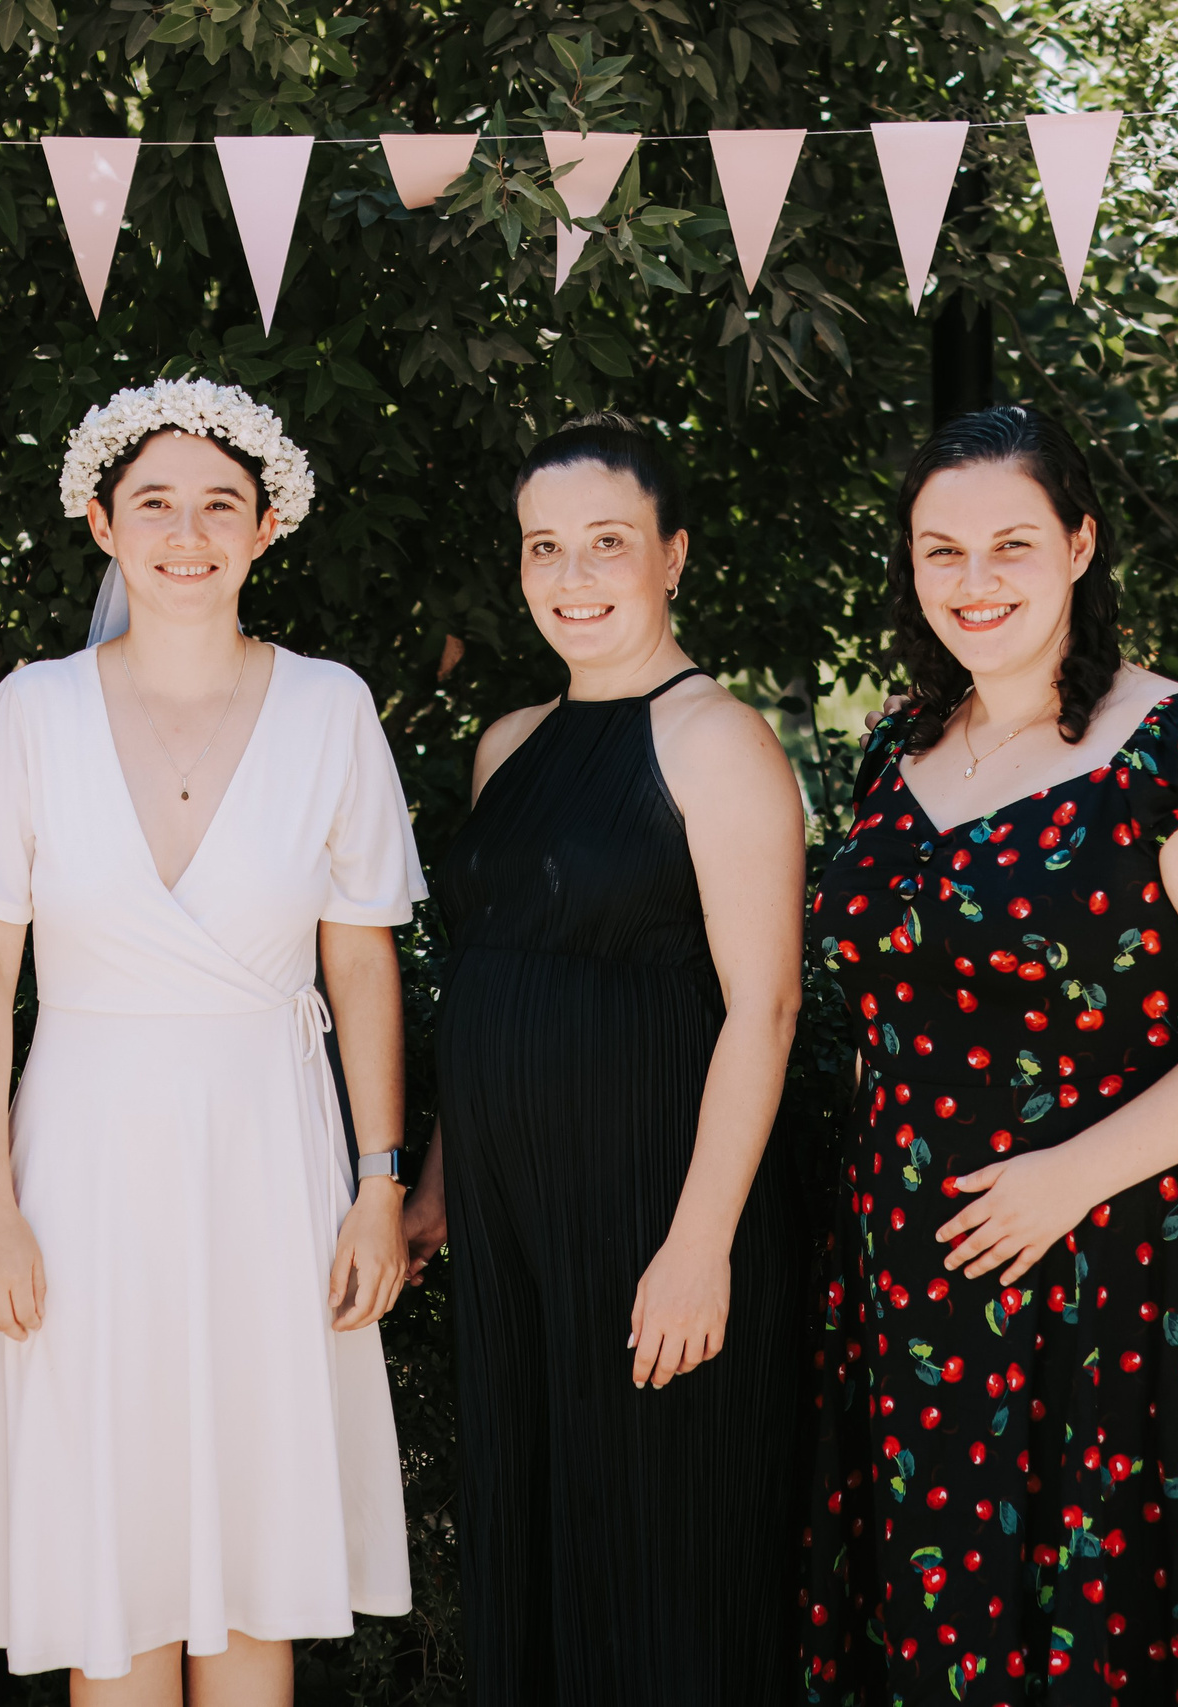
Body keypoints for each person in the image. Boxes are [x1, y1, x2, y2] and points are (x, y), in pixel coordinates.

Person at [801, 404, 1178, 1705]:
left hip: (1110, 1287)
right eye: (943, 553)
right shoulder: (891, 756)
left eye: (1012, 545)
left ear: (1081, 546)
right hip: (909, 1284)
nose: (976, 583)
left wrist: (1067, 1178)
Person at [0, 379, 421, 1705]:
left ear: (268, 529)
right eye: (156, 503)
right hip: (82, 1165)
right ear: (102, 522)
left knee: (255, 1560)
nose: (188, 533)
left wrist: (380, 1188)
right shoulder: (31, 713)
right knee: (117, 1565)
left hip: (270, 1154)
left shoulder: (333, 709)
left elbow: (362, 958)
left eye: (221, 505)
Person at [398, 414, 806, 1704]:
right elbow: (494, 970)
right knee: (538, 1532)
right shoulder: (508, 747)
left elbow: (768, 1010)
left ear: (672, 556)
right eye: (545, 549)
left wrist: (700, 1249)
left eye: (609, 545)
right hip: (516, 1221)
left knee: (661, 1551)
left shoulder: (716, 741)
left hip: (658, 1213)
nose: (573, 578)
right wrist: (439, 1181)